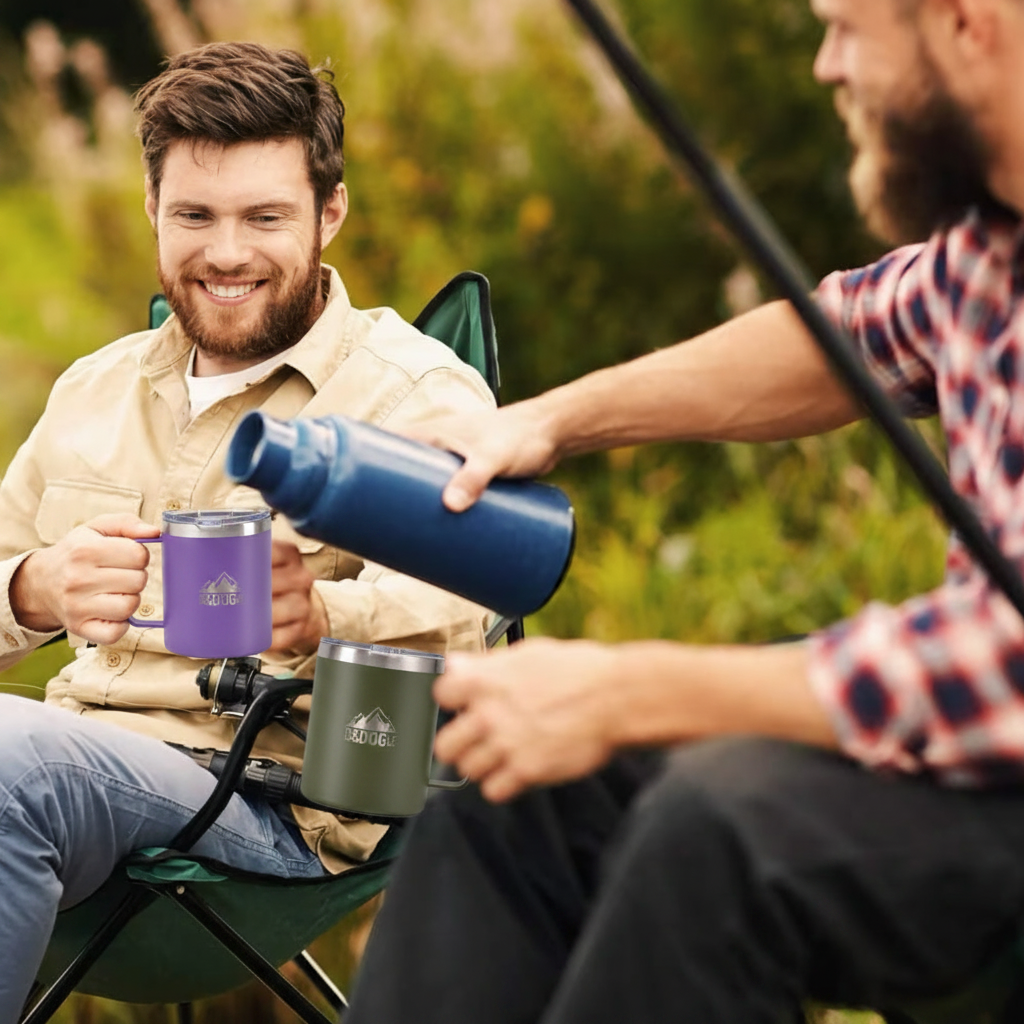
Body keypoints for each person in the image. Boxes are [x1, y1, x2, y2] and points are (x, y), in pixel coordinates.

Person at [342, 0, 1024, 1021]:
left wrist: (630, 687)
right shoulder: (988, 250)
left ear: (969, 27)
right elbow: (844, 333)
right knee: (517, 790)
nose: (825, 67)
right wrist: (553, 419)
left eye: (844, 28)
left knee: (718, 831)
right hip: (973, 756)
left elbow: (1004, 669)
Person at [0, 40, 495, 1023]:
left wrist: (319, 612)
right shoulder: (95, 388)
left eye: (265, 216)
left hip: (267, 808)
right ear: (153, 210)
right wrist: (34, 590)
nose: (226, 252)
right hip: (72, 769)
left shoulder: (410, 394)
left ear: (331, 212)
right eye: (195, 214)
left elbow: (470, 609)